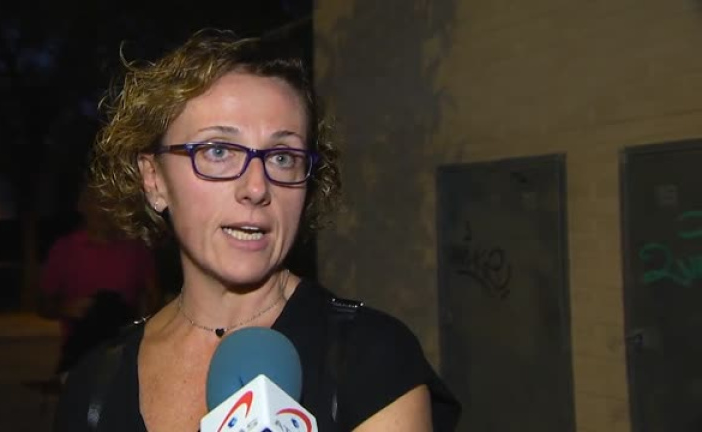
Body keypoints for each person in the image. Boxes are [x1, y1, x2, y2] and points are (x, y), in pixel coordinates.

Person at [54, 29, 461, 431]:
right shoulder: (94, 387)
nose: (256, 187)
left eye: (282, 157)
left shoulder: (371, 359)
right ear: (154, 179)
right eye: (218, 151)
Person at [39, 184, 159, 377]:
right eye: (96, 200)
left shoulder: (136, 249)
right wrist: (67, 308)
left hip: (125, 355)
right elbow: (43, 305)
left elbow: (153, 300)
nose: (102, 208)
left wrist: (137, 323)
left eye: (109, 201)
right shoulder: (65, 249)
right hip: (80, 358)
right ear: (81, 205)